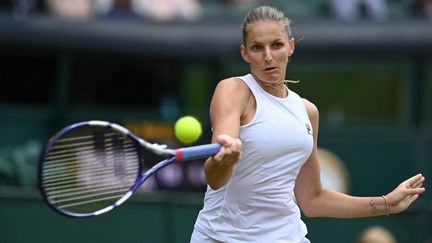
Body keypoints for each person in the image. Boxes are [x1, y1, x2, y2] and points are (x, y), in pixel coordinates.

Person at [189, 5, 426, 243]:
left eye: (277, 45)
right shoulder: (233, 90)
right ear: (244, 53)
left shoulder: (307, 111)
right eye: (257, 48)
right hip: (222, 237)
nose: (268, 56)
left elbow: (312, 200)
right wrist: (224, 159)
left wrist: (386, 203)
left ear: (290, 46)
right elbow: (216, 178)